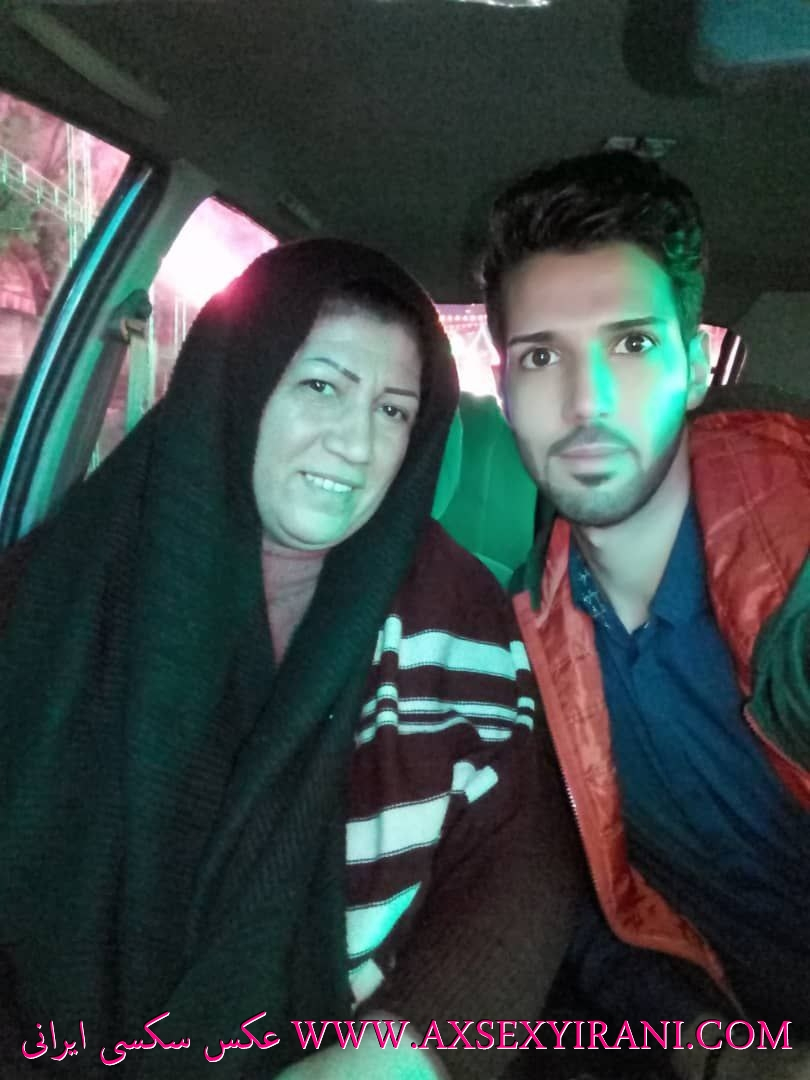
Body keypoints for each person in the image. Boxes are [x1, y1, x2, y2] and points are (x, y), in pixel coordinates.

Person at [0, 239, 581, 1078]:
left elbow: (521, 853)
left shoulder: (458, 612)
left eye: (393, 411)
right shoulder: (59, 584)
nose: (357, 444)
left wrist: (410, 1047)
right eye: (321, 387)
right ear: (241, 384)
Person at [479, 151, 810, 1078]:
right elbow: (577, 898)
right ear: (503, 389)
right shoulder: (518, 640)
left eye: (630, 345)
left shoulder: (795, 566)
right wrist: (711, 1048)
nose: (586, 401)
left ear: (695, 368)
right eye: (542, 356)